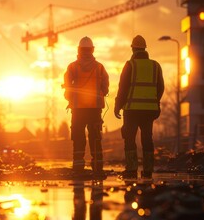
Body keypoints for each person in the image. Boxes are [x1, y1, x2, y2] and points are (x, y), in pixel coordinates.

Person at [114, 35, 164, 180]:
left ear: (133, 48)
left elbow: (122, 88)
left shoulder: (130, 65)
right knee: (147, 139)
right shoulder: (155, 65)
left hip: (132, 110)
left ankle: (131, 169)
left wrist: (118, 106)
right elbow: (160, 87)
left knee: (129, 139)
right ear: (144, 48)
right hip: (149, 110)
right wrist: (155, 102)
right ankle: (148, 171)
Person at [63, 36, 109, 179]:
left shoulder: (72, 67)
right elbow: (105, 88)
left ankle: (78, 167)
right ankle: (98, 167)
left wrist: (70, 98)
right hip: (95, 110)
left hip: (78, 110)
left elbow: (67, 88)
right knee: (95, 138)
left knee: (78, 137)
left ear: (79, 50)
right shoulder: (99, 67)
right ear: (92, 50)